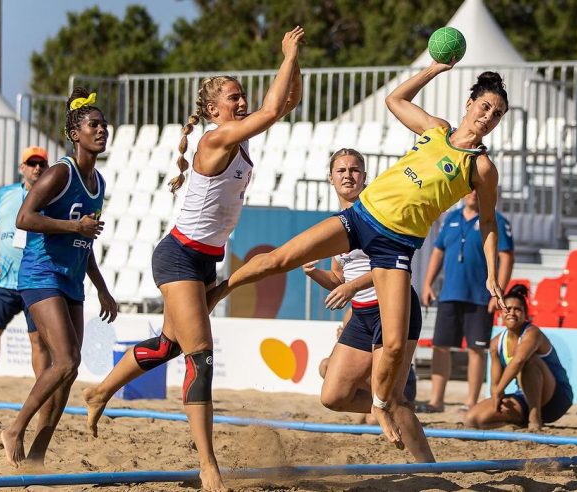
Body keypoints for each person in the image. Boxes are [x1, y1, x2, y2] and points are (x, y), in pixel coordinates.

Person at [205, 64, 510, 449]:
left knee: (397, 346)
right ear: (469, 104)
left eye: (496, 114)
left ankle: (381, 405)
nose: (488, 118)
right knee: (281, 258)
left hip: (397, 246)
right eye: (484, 107)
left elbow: (488, 224)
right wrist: (434, 68)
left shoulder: (480, 166)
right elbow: (394, 99)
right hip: (361, 218)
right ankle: (219, 291)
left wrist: (492, 275)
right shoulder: (437, 129)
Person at [81, 27, 304, 492]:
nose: (240, 103)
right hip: (178, 257)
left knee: (168, 347)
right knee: (200, 358)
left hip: (205, 261)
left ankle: (100, 390)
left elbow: (285, 104)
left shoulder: (238, 138)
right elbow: (271, 109)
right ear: (211, 110)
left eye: (242, 96)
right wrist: (284, 57)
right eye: (232, 98)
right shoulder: (213, 141)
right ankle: (208, 467)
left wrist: (294, 60)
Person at [0, 88, 118, 468]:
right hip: (40, 275)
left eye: (104, 125)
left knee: (69, 371)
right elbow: (24, 218)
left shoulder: (97, 181)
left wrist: (102, 289)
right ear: (75, 134)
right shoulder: (59, 172)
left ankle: (38, 454)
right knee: (64, 362)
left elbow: (86, 242)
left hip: (71, 279)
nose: (102, 130)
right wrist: (73, 226)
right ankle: (15, 428)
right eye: (93, 125)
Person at [303, 148, 432, 462]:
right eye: (341, 170)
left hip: (394, 307)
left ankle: (429, 468)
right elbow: (339, 279)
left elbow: (389, 269)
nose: (348, 175)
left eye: (354, 170)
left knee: (388, 395)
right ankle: (392, 404)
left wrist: (350, 286)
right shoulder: (338, 224)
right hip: (362, 313)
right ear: (331, 179)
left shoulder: (377, 215)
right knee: (333, 396)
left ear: (364, 177)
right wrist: (313, 272)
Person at [421, 189, 514, 413]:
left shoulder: (497, 221)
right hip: (449, 293)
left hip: (480, 297)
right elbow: (437, 252)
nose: (474, 193)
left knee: (476, 349)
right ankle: (436, 401)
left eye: (478, 189)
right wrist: (427, 284)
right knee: (440, 347)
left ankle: (471, 402)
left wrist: (496, 292)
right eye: (470, 189)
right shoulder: (451, 218)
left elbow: (506, 257)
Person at [464, 284, 572, 431]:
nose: (512, 313)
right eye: (507, 309)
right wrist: (497, 396)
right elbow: (495, 385)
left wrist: (498, 391)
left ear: (525, 315)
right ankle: (520, 420)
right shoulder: (496, 344)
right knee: (473, 419)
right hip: (525, 396)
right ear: (501, 313)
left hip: (556, 398)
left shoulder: (532, 333)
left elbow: (518, 361)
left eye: (517, 309)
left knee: (528, 361)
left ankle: (535, 419)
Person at [0, 147, 50, 374]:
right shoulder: (4, 195)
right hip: (5, 281)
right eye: (32, 163)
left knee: (38, 341)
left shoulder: (52, 198)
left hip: (36, 281)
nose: (37, 168)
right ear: (22, 168)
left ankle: (41, 394)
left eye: (41, 164)